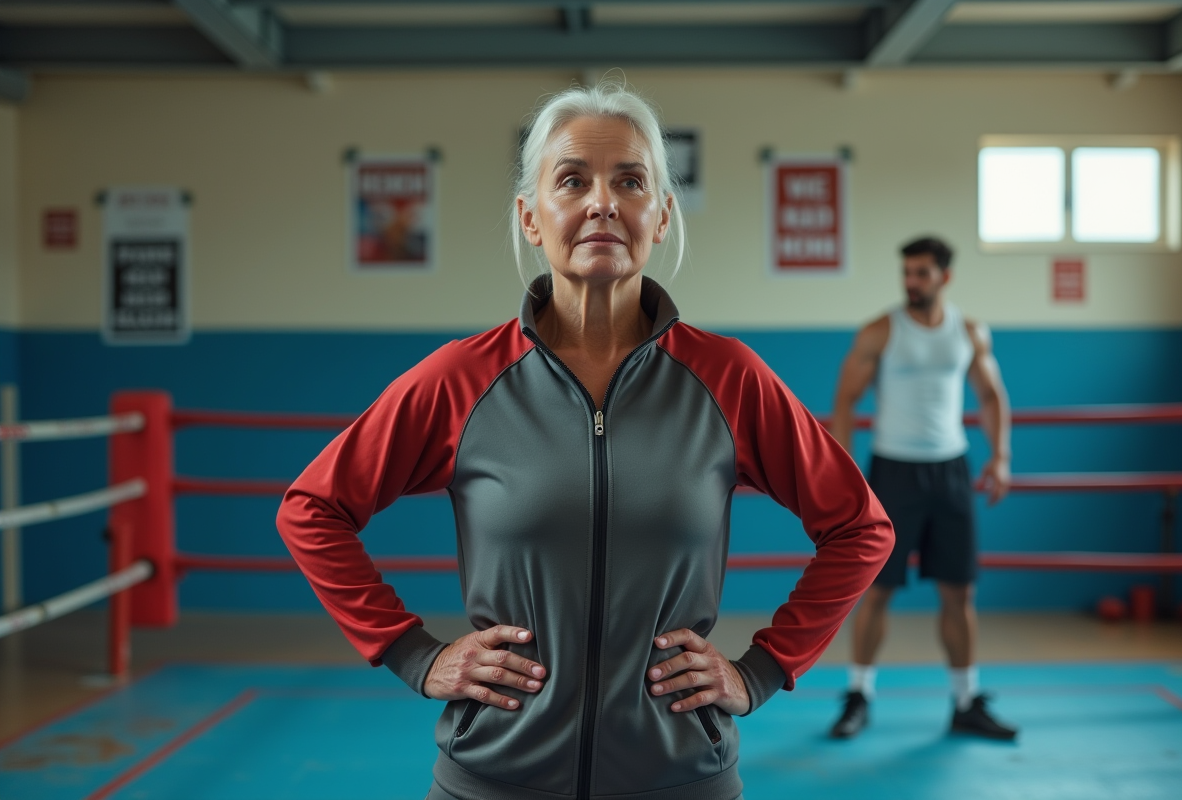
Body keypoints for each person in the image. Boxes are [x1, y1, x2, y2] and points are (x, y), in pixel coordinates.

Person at [277, 80, 894, 800]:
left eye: (630, 181)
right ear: (531, 217)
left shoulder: (728, 379)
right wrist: (414, 654)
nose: (603, 201)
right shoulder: (461, 379)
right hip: (494, 778)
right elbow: (310, 508)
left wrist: (759, 670)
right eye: (572, 180)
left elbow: (860, 528)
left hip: (680, 778)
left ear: (660, 216)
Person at [827, 236, 1018, 741]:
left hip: (950, 471)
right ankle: (859, 695)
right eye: (907, 273)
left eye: (922, 274)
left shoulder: (969, 332)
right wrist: (846, 474)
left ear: (944, 277)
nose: (911, 283)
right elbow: (844, 402)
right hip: (893, 472)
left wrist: (1000, 457)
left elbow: (992, 396)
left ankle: (964, 701)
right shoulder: (880, 332)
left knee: (959, 593)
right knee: (877, 590)